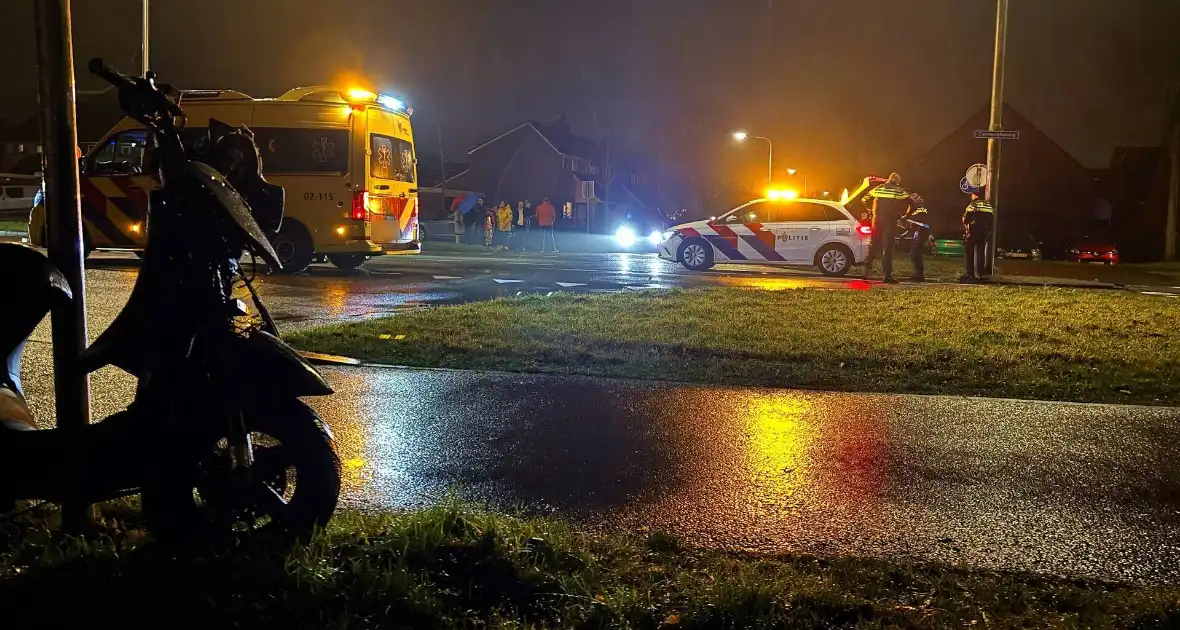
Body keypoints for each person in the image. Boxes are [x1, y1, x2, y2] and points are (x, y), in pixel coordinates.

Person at [863, 172, 912, 283]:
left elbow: (864, 199)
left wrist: (870, 210)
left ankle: (865, 270)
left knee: (874, 246)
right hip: (890, 223)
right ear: (897, 181)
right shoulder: (898, 191)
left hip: (876, 222)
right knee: (888, 249)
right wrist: (904, 217)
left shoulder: (878, 188)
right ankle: (887, 276)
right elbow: (912, 204)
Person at [961, 189, 995, 283]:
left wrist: (966, 223)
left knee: (969, 252)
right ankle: (980, 274)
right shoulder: (988, 205)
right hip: (984, 231)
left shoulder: (973, 204)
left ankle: (970, 273)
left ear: (975, 195)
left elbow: (966, 218)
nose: (971, 197)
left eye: (971, 195)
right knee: (981, 253)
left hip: (973, 230)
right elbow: (992, 218)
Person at [900, 192, 932, 282]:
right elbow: (911, 224)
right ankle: (917, 273)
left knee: (916, 254)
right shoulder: (917, 209)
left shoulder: (920, 209)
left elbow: (917, 223)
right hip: (919, 233)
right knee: (914, 254)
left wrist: (905, 218)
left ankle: (920, 275)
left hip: (921, 233)